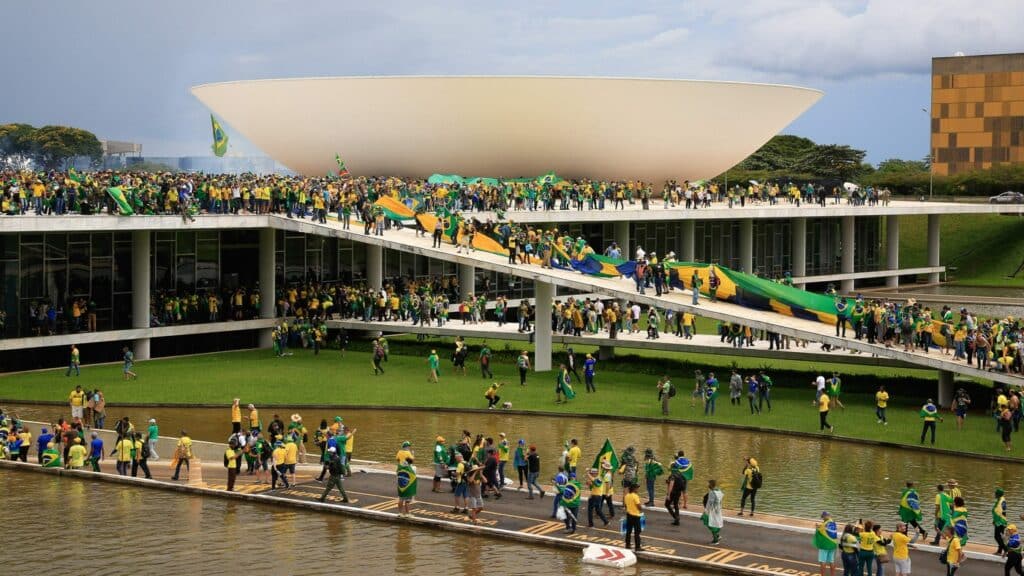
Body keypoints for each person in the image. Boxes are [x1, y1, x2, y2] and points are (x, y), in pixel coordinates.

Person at [815, 511, 839, 576]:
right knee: (831, 561)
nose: (822, 518)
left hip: (825, 545)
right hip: (833, 545)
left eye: (823, 517)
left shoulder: (824, 525)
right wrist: (820, 525)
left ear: (825, 516)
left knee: (823, 561)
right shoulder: (833, 523)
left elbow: (819, 532)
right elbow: (825, 526)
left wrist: (817, 527)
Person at [624, 482, 644, 552]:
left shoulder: (626, 496)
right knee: (637, 532)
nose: (638, 489)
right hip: (635, 516)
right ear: (634, 489)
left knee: (628, 531)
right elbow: (639, 506)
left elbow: (625, 505)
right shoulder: (635, 496)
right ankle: (637, 547)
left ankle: (627, 544)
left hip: (629, 515)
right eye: (637, 488)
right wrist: (641, 509)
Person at [702, 479, 724, 545]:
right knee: (715, 523)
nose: (707, 485)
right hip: (718, 510)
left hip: (712, 511)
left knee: (710, 523)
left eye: (708, 483)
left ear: (710, 485)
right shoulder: (719, 491)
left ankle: (715, 540)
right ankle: (717, 536)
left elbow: (710, 503)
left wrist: (706, 511)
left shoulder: (712, 492)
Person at [994, 488, 1010, 556]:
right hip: (1002, 520)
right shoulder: (1002, 499)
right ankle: (999, 551)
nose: (994, 494)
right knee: (1000, 536)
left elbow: (999, 512)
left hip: (1000, 521)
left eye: (995, 493)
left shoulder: (1000, 501)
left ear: (998, 494)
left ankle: (1006, 550)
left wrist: (995, 521)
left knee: (997, 536)